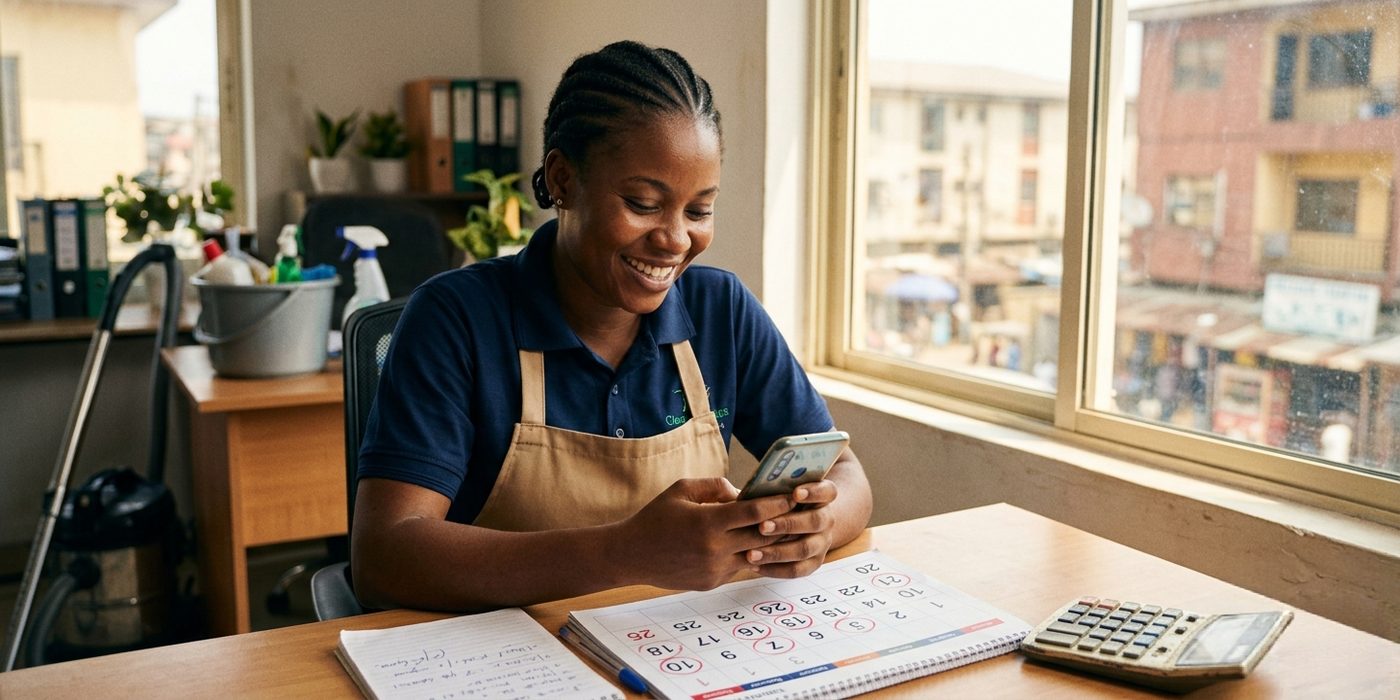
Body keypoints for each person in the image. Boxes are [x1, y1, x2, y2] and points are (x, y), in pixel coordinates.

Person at [352, 41, 873, 612]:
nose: (675, 240)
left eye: (698, 210)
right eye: (643, 202)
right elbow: (385, 556)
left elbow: (847, 475)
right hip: (510, 658)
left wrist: (818, 525)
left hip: (676, 649)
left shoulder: (721, 309)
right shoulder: (457, 319)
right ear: (562, 180)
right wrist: (622, 554)